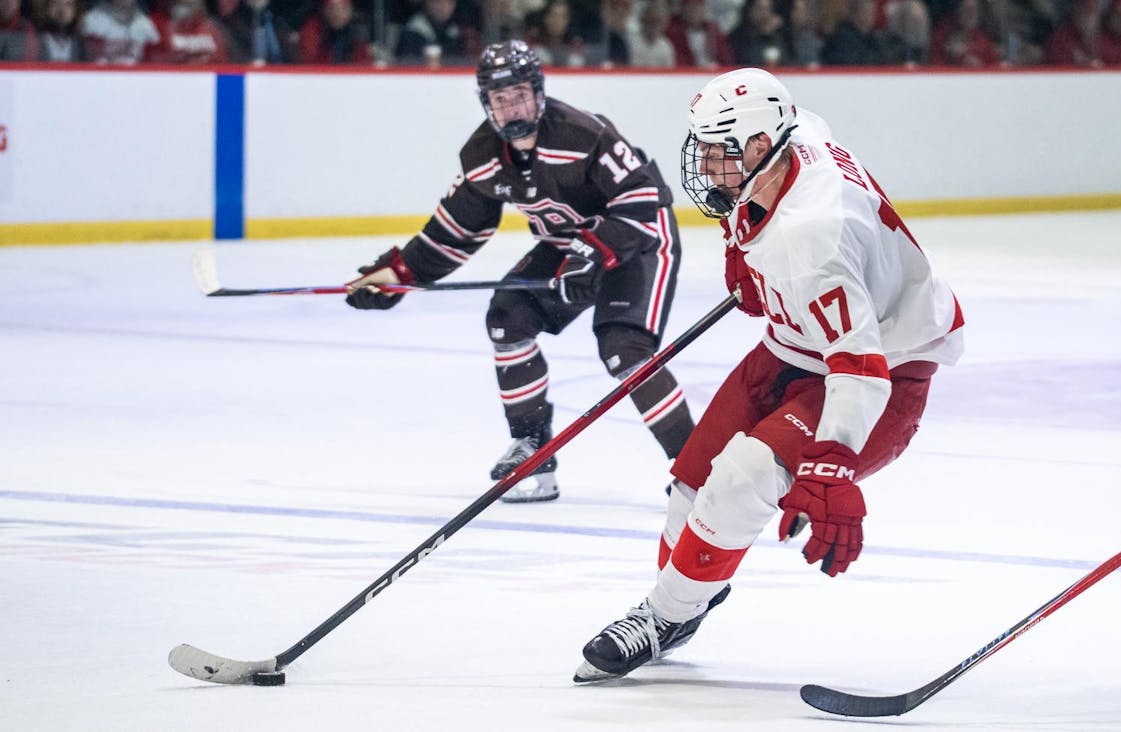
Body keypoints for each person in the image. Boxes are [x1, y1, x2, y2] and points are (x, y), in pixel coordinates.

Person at [574, 68, 964, 682]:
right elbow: (801, 133)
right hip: (794, 346)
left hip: (883, 367)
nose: (702, 165)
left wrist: (831, 461)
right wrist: (743, 241)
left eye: (714, 152)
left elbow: (858, 368)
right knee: (691, 483)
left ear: (758, 146)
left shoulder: (813, 237)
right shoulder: (789, 136)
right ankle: (682, 602)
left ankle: (662, 614)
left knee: (741, 479)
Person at [344, 40, 695, 502]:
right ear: (486, 104)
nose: (512, 109)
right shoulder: (482, 157)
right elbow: (454, 232)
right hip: (568, 246)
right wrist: (399, 274)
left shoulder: (582, 134)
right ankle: (534, 451)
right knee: (508, 317)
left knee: (623, 349)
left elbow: (641, 199)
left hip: (639, 241)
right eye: (500, 99)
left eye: (520, 95)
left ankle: (700, 474)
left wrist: (593, 253)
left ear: (540, 92)